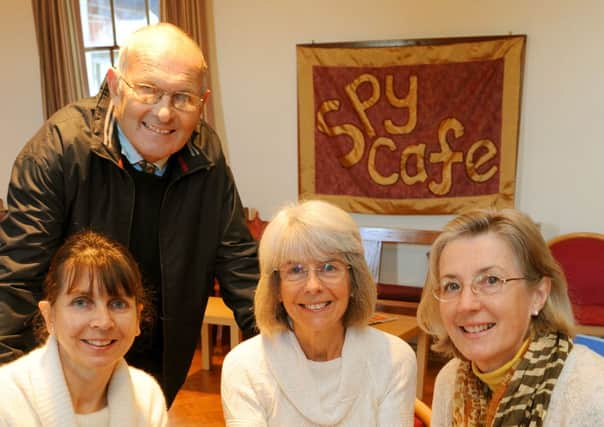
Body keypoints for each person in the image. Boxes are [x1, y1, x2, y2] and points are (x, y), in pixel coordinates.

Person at [0, 23, 258, 406]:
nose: (165, 112)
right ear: (116, 85)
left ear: (202, 101)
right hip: (69, 366)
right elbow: (16, 278)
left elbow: (237, 259)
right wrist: (9, 388)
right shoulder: (58, 150)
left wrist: (282, 353)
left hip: (159, 360)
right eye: (148, 89)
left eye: (183, 97)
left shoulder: (207, 154)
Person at [221, 200, 417, 426]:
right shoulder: (244, 366)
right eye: (295, 270)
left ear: (353, 280)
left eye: (329, 267)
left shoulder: (394, 359)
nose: (313, 286)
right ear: (276, 288)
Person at [417, 208, 604, 426]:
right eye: (453, 285)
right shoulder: (450, 381)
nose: (466, 304)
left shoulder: (591, 397)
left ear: (538, 295)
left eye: (491, 280)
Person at [0, 230, 167, 426]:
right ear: (49, 315)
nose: (103, 322)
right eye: (81, 302)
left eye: (118, 304)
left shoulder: (147, 397)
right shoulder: (7, 400)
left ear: (138, 317)